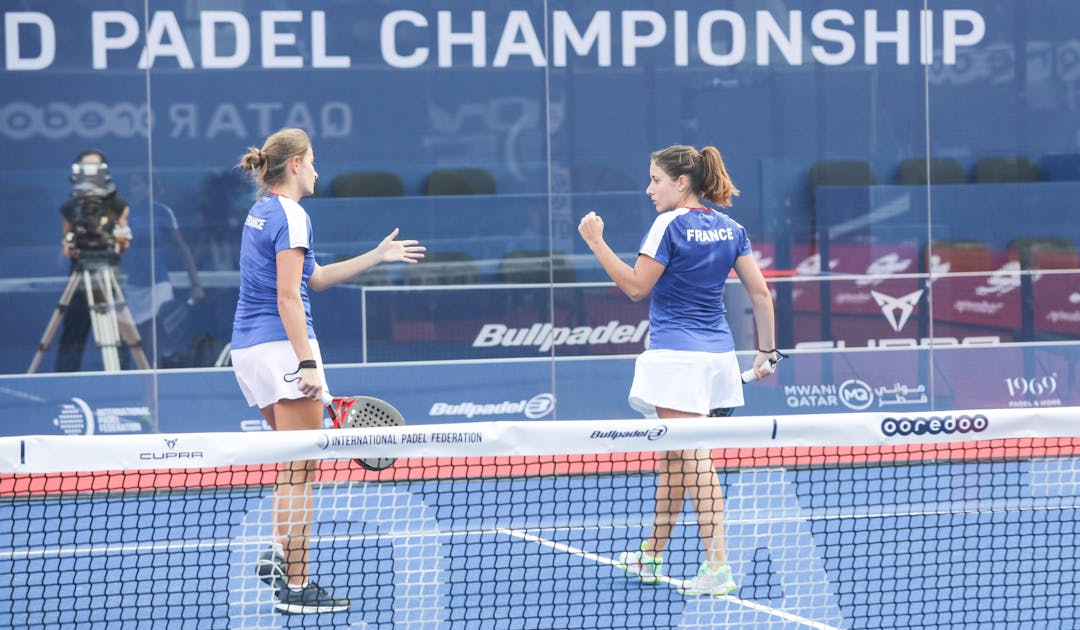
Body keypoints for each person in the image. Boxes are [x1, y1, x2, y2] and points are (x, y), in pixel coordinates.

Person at [231, 128, 424, 615]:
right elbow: (289, 297)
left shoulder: (262, 212)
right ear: (294, 164)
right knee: (302, 472)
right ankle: (296, 586)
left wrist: (377, 256)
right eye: (312, 161)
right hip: (282, 351)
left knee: (290, 468)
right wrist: (307, 363)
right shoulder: (293, 214)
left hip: (249, 352)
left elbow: (313, 279)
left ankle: (279, 555)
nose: (318, 170)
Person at [577, 144, 777, 597]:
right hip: (718, 359)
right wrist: (767, 352)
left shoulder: (667, 224)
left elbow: (634, 287)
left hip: (676, 360)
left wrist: (595, 242)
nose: (649, 189)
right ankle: (651, 553)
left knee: (695, 458)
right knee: (674, 458)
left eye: (656, 180)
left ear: (681, 183)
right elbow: (761, 294)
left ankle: (718, 567)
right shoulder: (732, 228)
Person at [55, 148, 135, 372]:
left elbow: (123, 244)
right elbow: (65, 244)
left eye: (95, 169)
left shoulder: (118, 204)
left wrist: (118, 238)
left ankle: (124, 386)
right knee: (73, 334)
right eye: (85, 169)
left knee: (120, 335)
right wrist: (69, 247)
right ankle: (64, 385)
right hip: (80, 277)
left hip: (110, 275)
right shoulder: (69, 207)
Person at [122, 172, 204, 364]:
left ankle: (158, 383)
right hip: (133, 285)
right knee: (136, 342)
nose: (136, 189)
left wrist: (196, 284)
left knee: (155, 339)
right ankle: (141, 384)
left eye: (139, 184)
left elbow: (182, 248)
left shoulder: (162, 212)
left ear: (151, 187)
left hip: (158, 283)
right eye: (133, 185)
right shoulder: (126, 214)